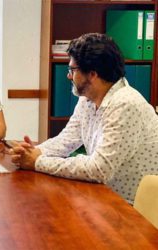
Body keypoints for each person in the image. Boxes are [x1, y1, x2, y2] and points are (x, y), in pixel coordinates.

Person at [10, 33, 158, 204]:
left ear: (92, 74)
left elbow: (99, 169)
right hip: (106, 196)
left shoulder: (125, 104)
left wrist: (38, 162)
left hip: (135, 208)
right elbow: (67, 139)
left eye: (72, 70)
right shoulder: (87, 99)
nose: (68, 76)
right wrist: (33, 153)